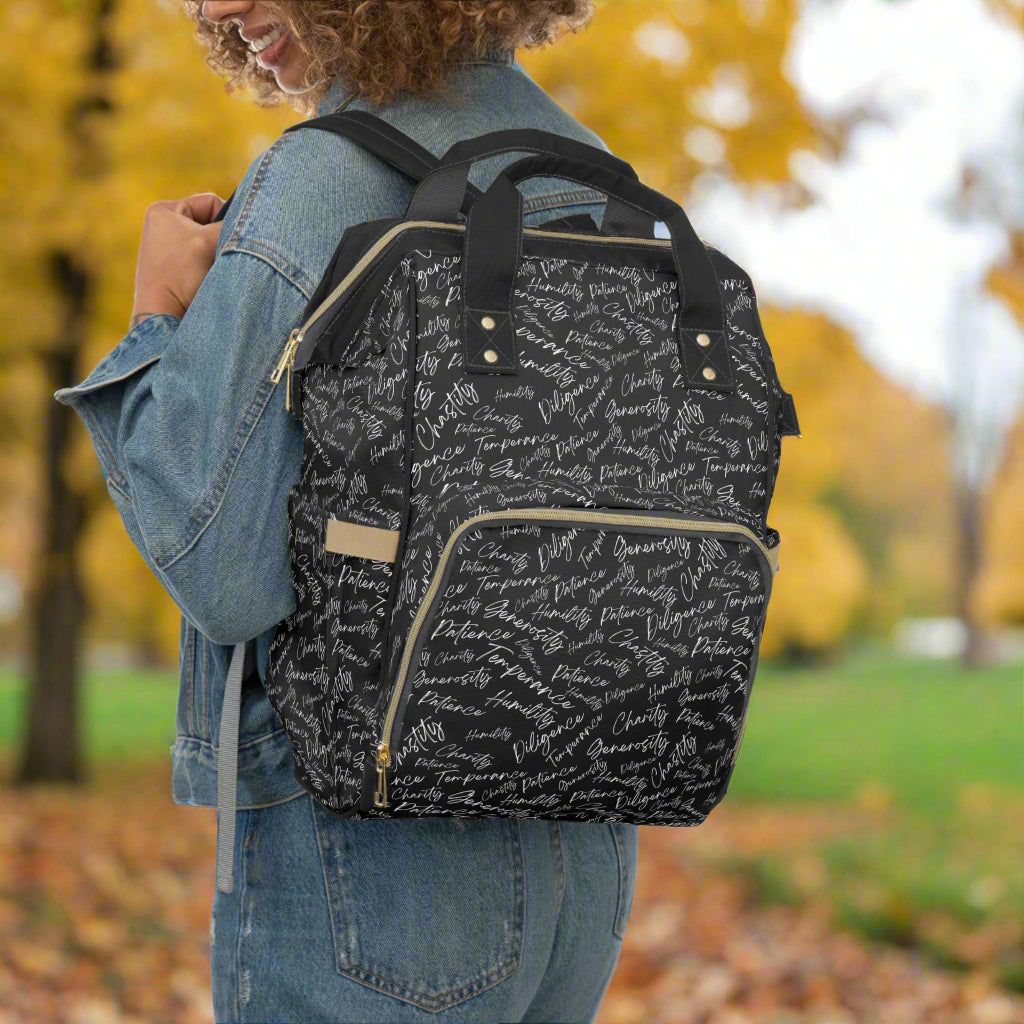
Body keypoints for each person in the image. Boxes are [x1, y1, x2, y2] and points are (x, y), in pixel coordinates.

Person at [54, 2, 638, 1021]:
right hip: (578, 851)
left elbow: (220, 566)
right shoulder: (588, 170)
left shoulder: (322, 181)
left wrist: (154, 321)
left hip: (373, 865)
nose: (215, 8)